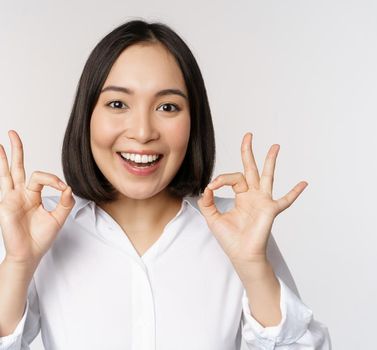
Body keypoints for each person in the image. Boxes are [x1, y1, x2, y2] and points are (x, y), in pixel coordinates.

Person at [0, 20, 331, 349]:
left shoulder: (238, 229)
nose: (143, 132)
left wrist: (254, 267)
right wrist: (17, 263)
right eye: (118, 104)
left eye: (168, 106)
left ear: (193, 121)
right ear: (86, 116)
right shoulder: (39, 233)